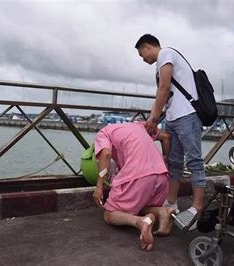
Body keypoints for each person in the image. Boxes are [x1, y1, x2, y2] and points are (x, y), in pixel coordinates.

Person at [134, 34, 206, 227]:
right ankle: (171, 203)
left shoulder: (166, 54)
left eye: (142, 55)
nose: (143, 59)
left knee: (194, 161)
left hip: (187, 115)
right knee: (174, 163)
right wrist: (155, 117)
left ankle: (197, 207)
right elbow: (163, 94)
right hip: (173, 118)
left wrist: (153, 119)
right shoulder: (159, 65)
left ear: (148, 46)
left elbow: (164, 87)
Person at [92, 122, 174, 251]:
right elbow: (166, 137)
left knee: (109, 214)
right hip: (162, 175)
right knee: (139, 205)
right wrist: (164, 159)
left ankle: (140, 222)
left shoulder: (103, 133)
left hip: (139, 176)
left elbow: (106, 154)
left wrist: (99, 186)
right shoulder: (139, 125)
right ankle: (162, 212)